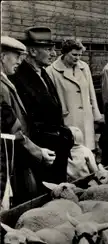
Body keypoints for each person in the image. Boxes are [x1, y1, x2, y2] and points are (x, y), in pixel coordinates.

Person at [9, 27, 73, 186]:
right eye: (48, 49)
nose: (54, 53)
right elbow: (25, 120)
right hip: (41, 153)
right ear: (32, 51)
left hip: (55, 148)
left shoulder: (43, 73)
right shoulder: (19, 77)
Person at [1, 35, 56, 208]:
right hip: (8, 157)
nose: (20, 61)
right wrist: (38, 152)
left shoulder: (5, 81)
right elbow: (11, 128)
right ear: (2, 56)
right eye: (16, 56)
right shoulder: (1, 86)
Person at [46, 39, 102, 151]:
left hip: (86, 116)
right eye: (74, 55)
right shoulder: (51, 71)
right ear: (65, 53)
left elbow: (91, 91)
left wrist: (96, 114)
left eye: (80, 55)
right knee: (73, 149)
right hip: (68, 117)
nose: (77, 58)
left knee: (88, 149)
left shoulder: (84, 67)